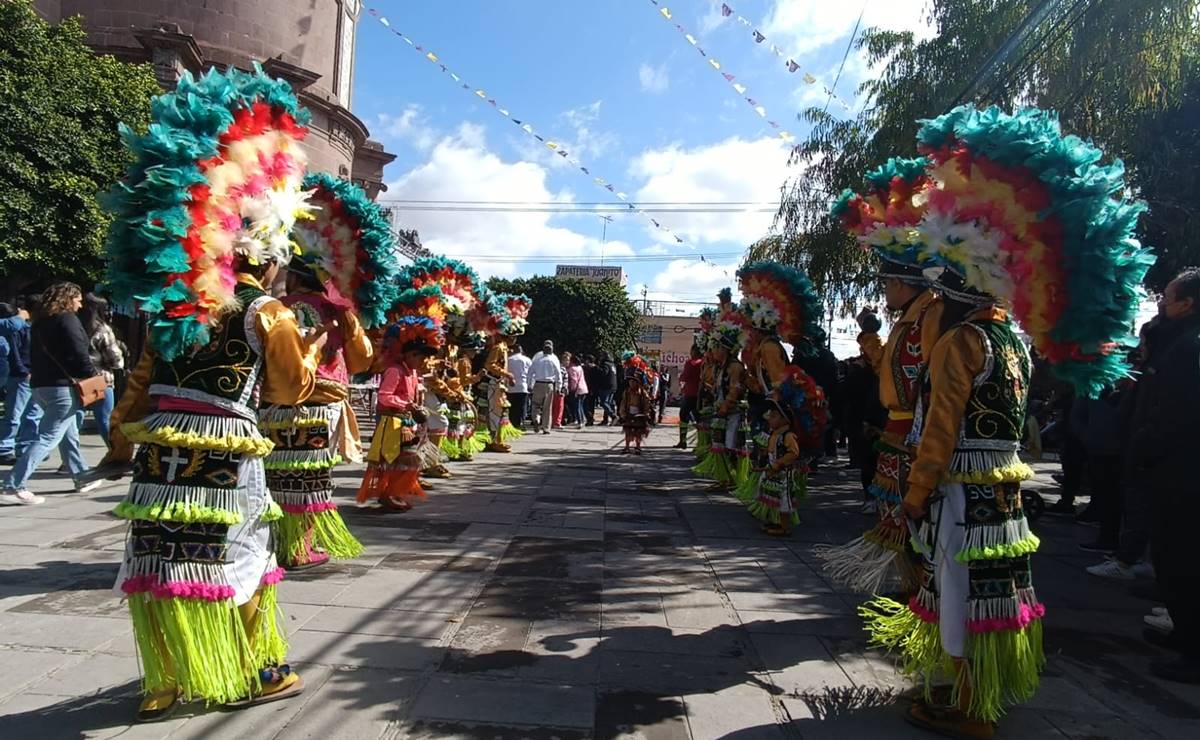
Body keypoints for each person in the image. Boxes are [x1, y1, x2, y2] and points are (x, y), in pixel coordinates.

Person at [857, 105, 1153, 736]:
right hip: (1002, 496)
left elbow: (940, 430)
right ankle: (979, 693)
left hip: (960, 493)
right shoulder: (1011, 342)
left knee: (959, 590)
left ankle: (969, 708)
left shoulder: (959, 343)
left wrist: (913, 496)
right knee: (992, 593)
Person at [813, 256, 943, 595]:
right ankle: (912, 586)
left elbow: (931, 381)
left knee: (914, 513)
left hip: (915, 433)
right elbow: (888, 369)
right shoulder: (910, 320)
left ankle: (923, 590)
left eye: (886, 283)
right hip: (897, 428)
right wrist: (869, 339)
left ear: (899, 283)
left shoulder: (930, 316)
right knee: (896, 511)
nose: (884, 290)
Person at [259, 256, 376, 570]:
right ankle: (300, 547)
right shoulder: (338, 311)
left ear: (295, 278)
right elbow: (361, 360)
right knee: (312, 479)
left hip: (276, 404)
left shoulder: (276, 307)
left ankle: (281, 543)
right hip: (322, 405)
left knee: (278, 477)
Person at [1126, 268, 1200, 684]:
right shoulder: (1180, 341)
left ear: (1187, 303)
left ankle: (1193, 650)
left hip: (1182, 473)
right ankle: (1185, 634)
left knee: (1181, 561)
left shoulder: (1189, 347)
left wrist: (1146, 447)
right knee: (1174, 560)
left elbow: (1176, 414)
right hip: (1178, 469)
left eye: (1168, 298)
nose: (1160, 304)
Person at [1, 282, 101, 504]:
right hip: (62, 387)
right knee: (48, 436)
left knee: (68, 431)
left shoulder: (40, 321)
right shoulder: (67, 319)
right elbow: (78, 352)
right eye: (78, 299)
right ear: (68, 299)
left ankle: (81, 476)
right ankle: (13, 486)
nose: (80, 304)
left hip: (41, 385)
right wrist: (93, 375)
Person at [358, 316, 440, 511]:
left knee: (406, 460)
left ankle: (394, 492)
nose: (424, 361)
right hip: (392, 422)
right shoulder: (395, 371)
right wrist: (407, 405)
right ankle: (389, 494)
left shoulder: (412, 372)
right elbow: (384, 396)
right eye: (421, 357)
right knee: (396, 459)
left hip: (406, 422)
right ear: (409, 354)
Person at [751, 368, 828, 537]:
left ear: (785, 419)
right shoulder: (774, 434)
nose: (769, 418)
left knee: (784, 500)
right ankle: (775, 521)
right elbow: (771, 448)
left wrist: (779, 463)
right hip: (772, 472)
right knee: (772, 497)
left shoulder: (788, 436)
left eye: (774, 416)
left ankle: (784, 527)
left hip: (784, 475)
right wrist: (764, 453)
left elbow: (793, 453)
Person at [691, 311, 747, 491]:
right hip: (721, 413)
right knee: (718, 445)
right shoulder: (720, 367)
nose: (713, 351)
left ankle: (733, 479)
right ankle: (723, 479)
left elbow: (735, 389)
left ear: (725, 349)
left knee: (731, 447)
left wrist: (725, 405)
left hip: (733, 414)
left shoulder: (735, 367)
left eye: (716, 347)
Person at [79, 294, 125, 448]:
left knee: (74, 420)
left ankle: (70, 458)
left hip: (78, 380)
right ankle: (115, 451)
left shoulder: (75, 326)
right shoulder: (102, 330)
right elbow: (115, 360)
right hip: (100, 380)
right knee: (105, 419)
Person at [0, 297, 38, 466]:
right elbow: (15, 353)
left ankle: (25, 447)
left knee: (31, 414)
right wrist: (23, 371)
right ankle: (5, 448)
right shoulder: (14, 328)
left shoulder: (25, 327)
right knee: (15, 414)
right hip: (20, 376)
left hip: (27, 374)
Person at [618, 355, 653, 454]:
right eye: (630, 381)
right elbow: (623, 403)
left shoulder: (642, 393)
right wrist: (622, 413)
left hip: (639, 414)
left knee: (639, 432)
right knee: (628, 431)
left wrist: (646, 413)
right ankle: (627, 446)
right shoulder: (627, 392)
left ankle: (638, 446)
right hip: (629, 413)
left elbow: (646, 403)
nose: (631, 383)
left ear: (638, 383)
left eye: (634, 381)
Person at [529, 340, 562, 434]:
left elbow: (530, 372)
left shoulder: (537, 358)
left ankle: (536, 418)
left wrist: (529, 385)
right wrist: (558, 387)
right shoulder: (554, 359)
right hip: (549, 385)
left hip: (538, 384)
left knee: (535, 404)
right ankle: (546, 428)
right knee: (547, 408)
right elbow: (558, 374)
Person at [675, 345, 703, 449]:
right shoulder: (704, 362)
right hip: (701, 394)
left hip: (690, 393)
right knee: (700, 418)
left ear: (694, 351)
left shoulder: (691, 363)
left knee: (683, 416)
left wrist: (681, 377)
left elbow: (685, 377)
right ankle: (701, 442)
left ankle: (683, 441)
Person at [505, 344, 531, 429]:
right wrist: (531, 385)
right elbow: (531, 373)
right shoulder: (527, 360)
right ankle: (520, 423)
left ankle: (512, 424)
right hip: (523, 386)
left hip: (510, 387)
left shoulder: (508, 360)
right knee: (522, 407)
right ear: (521, 350)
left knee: (512, 407)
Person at [595, 352, 618, 425]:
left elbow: (604, 373)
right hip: (613, 386)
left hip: (606, 386)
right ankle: (605, 419)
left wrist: (597, 367)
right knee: (609, 403)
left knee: (603, 403)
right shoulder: (612, 364)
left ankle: (613, 416)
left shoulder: (605, 365)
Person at [567, 353, 589, 430]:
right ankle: (583, 420)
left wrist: (572, 389)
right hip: (584, 388)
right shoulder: (580, 367)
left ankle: (580, 422)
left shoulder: (572, 369)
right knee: (581, 406)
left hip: (577, 389)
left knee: (577, 406)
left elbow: (574, 380)